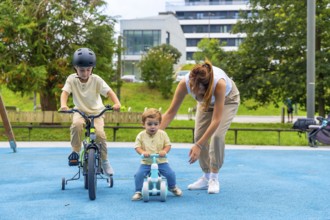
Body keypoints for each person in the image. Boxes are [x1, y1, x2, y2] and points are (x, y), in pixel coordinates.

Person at [159, 60, 240, 194]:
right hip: (206, 105)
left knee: (217, 136)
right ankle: (206, 176)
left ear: (207, 88)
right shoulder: (184, 84)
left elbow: (216, 120)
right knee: (198, 136)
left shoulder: (219, 84)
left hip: (228, 100)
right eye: (194, 93)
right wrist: (155, 135)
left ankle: (214, 177)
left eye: (200, 94)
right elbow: (170, 112)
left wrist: (198, 145)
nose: (197, 96)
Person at [59, 47, 121, 176]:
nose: (85, 73)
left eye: (89, 69)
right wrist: (64, 105)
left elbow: (109, 92)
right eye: (82, 70)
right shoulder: (71, 79)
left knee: (100, 135)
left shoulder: (97, 79)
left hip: (96, 112)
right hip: (80, 111)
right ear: (75, 68)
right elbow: (65, 93)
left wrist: (117, 103)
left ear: (92, 68)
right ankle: (75, 151)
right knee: (76, 125)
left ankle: (105, 161)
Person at [131, 108, 182, 201]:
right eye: (149, 124)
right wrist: (143, 152)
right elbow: (137, 147)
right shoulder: (141, 135)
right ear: (143, 124)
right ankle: (138, 191)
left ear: (159, 124)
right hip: (146, 162)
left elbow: (168, 145)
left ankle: (172, 187)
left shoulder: (163, 134)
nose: (152, 127)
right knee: (138, 174)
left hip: (161, 161)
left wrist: (164, 151)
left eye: (156, 124)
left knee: (170, 173)